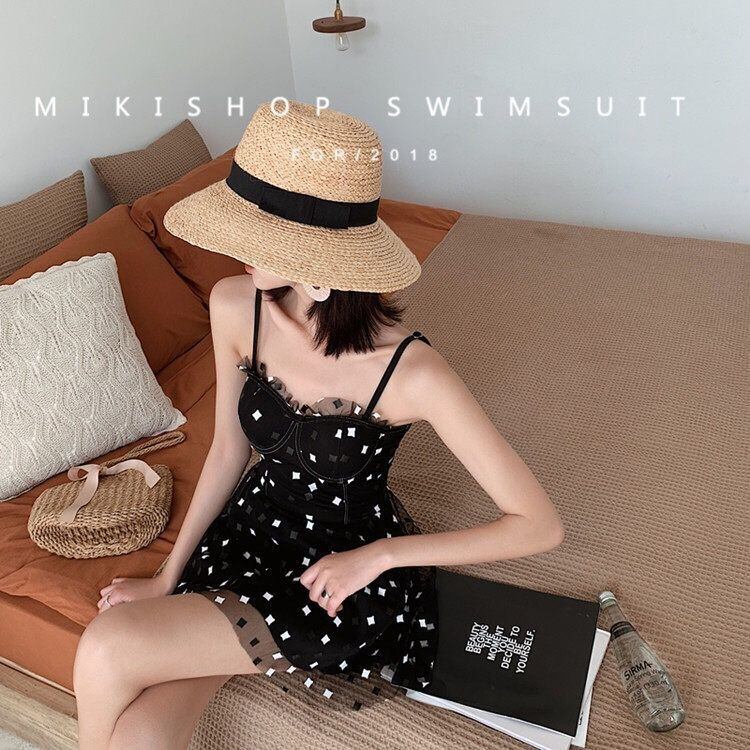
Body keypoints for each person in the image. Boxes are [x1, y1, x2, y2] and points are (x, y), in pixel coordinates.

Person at [73, 100, 565, 749]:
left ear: (319, 269)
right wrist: (167, 575)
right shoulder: (235, 305)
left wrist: (379, 557)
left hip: (336, 574)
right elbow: (227, 453)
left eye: (258, 237)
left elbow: (539, 525)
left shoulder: (411, 374)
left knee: (107, 647)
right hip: (246, 536)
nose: (235, 250)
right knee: (144, 732)